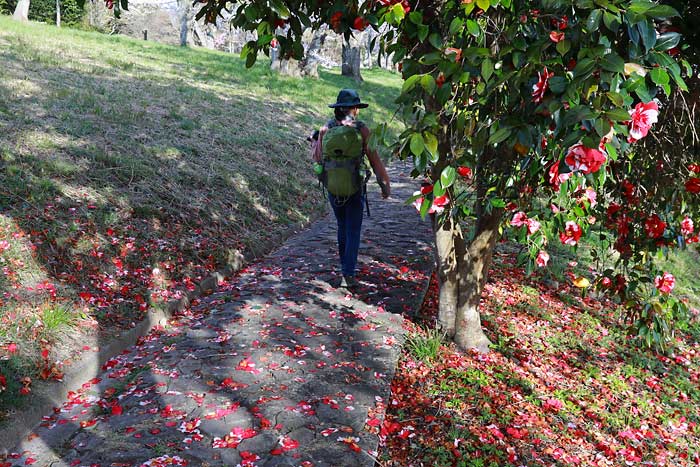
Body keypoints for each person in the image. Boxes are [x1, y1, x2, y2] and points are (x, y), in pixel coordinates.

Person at [311, 89, 391, 289]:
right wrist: (384, 184)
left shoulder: (327, 128)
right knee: (353, 229)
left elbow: (318, 158)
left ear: (338, 108)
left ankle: (344, 266)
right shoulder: (362, 130)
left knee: (342, 226)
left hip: (333, 186)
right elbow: (375, 160)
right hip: (355, 186)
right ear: (354, 109)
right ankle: (348, 273)